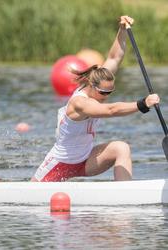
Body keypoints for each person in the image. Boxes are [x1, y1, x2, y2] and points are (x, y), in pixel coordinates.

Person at [31, 16, 160, 182]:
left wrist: (122, 30)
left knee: (121, 148)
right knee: (27, 194)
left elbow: (114, 57)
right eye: (103, 93)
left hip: (86, 160)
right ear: (91, 85)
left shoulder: (100, 80)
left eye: (110, 92)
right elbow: (111, 110)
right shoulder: (80, 103)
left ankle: (125, 194)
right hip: (61, 163)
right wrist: (143, 104)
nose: (106, 96)